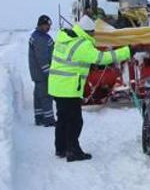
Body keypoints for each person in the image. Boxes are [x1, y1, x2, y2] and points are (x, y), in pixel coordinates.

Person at [48, 23, 130, 162]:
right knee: (75, 121)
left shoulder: (65, 38)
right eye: (93, 33)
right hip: (68, 89)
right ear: (88, 31)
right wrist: (127, 51)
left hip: (56, 86)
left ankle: (61, 148)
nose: (94, 35)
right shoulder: (81, 44)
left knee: (62, 119)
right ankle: (73, 152)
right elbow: (101, 58)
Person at [28, 15, 55, 126]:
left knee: (38, 96)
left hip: (37, 73)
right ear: (42, 25)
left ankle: (39, 117)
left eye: (49, 25)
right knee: (46, 96)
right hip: (42, 73)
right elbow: (42, 58)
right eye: (47, 25)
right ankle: (49, 120)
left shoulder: (40, 36)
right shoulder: (40, 39)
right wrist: (49, 73)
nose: (49, 27)